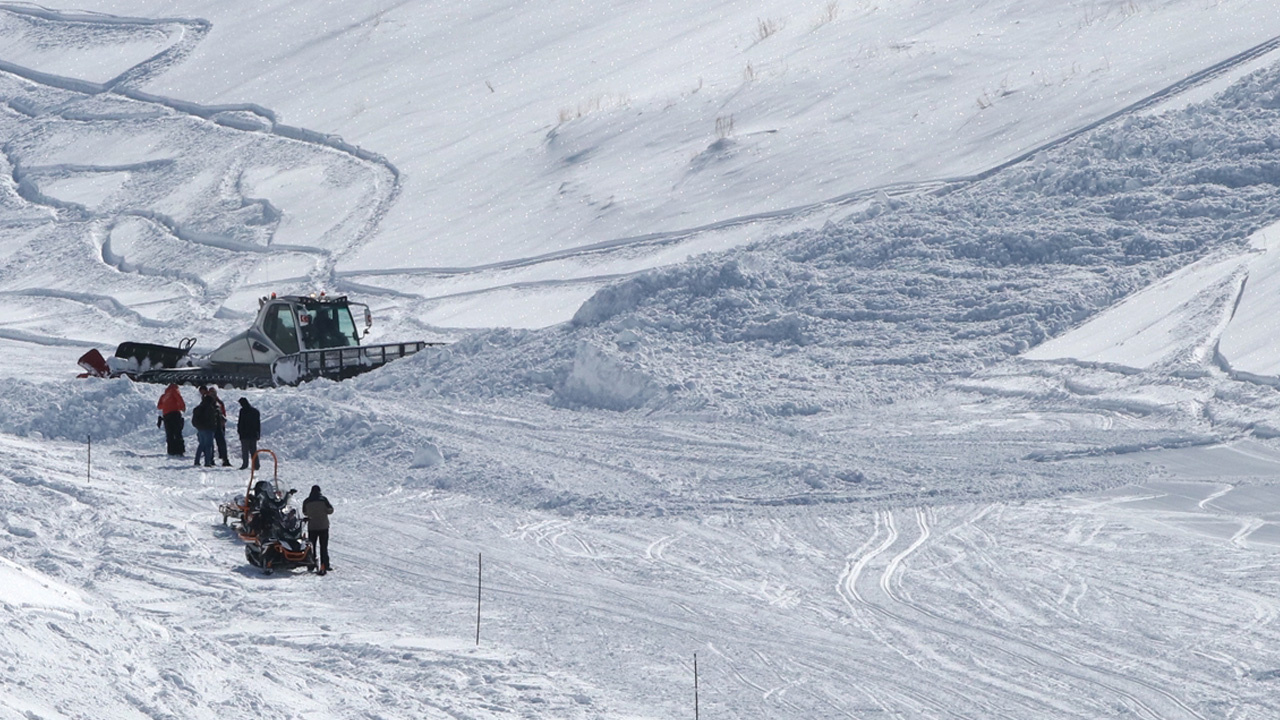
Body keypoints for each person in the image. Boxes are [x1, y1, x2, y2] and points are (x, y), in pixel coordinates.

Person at [303, 485, 334, 574]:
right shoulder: (323, 499)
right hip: (323, 527)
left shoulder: (307, 501)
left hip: (312, 527)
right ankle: (325, 565)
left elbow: (305, 512)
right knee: (323, 547)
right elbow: (330, 510)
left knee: (312, 547)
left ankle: (311, 564)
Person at [156, 384, 186, 456]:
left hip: (166, 416)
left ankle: (171, 450)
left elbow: (159, 406)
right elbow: (179, 398)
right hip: (175, 414)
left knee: (169, 434)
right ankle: (179, 450)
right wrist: (182, 407)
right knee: (177, 432)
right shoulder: (174, 390)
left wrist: (166, 406)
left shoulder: (164, 396)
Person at [191, 392, 219, 467]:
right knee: (208, 446)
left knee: (201, 445)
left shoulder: (198, 408)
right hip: (209, 429)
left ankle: (197, 461)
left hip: (200, 429)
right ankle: (207, 462)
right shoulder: (210, 408)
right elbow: (212, 419)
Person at [207, 387, 232, 466]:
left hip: (218, 425)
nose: (213, 395)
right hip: (210, 426)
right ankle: (210, 459)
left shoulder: (219, 403)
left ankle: (224, 459)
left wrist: (223, 420)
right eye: (211, 393)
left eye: (214, 393)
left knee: (221, 443)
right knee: (210, 444)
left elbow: (223, 413)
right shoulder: (206, 402)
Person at [237, 397, 261, 470]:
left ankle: (245, 464)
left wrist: (239, 432)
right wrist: (258, 433)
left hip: (244, 434)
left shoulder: (242, 411)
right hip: (253, 434)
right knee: (253, 450)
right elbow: (258, 424)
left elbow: (240, 423)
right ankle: (256, 465)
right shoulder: (255, 411)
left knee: (245, 451)